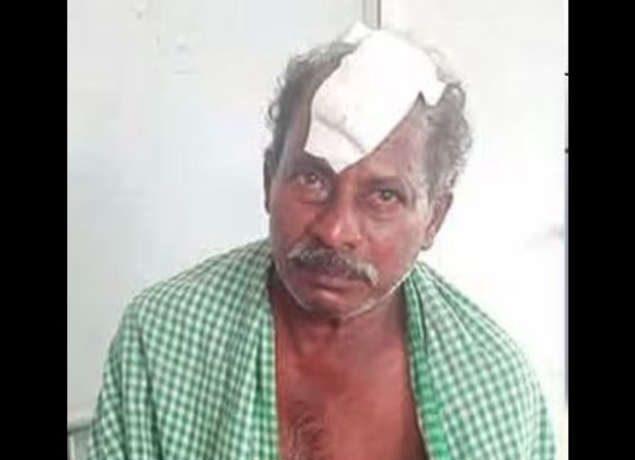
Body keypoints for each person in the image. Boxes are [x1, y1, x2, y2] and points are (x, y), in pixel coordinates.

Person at [87, 23, 556, 460]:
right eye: (312, 179)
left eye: (384, 196)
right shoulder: (163, 339)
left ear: (434, 218)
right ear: (269, 179)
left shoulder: (495, 386)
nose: (335, 231)